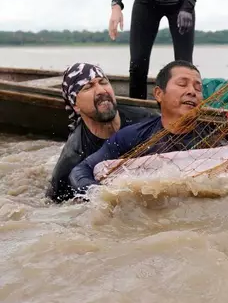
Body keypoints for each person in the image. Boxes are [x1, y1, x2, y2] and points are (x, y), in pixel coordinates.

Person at [68, 60, 227, 195]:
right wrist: (104, 196)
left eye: (198, 88)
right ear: (158, 94)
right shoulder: (132, 136)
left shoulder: (213, 136)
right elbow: (81, 170)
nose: (192, 92)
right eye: (182, 84)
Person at [46, 62, 157, 203]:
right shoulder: (72, 158)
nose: (101, 91)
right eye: (88, 87)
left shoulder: (146, 120)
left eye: (103, 82)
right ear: (75, 105)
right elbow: (53, 205)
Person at [109, 0, 206, 100]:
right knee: (137, 64)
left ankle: (184, 114)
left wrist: (187, 7)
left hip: (181, 3)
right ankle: (138, 111)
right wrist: (116, 5)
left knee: (184, 66)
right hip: (146, 0)